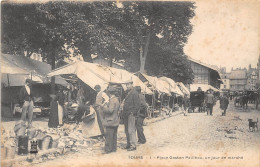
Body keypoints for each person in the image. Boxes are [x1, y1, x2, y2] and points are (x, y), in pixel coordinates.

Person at [122, 80, 141, 151]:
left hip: (131, 114)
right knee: (126, 130)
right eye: (126, 85)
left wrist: (133, 112)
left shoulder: (134, 93)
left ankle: (133, 145)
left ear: (132, 84)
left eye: (128, 84)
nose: (127, 86)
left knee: (131, 130)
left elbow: (138, 105)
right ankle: (128, 144)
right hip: (126, 114)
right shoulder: (127, 92)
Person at [102, 87, 120, 154]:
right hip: (115, 119)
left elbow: (110, 110)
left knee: (109, 135)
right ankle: (113, 148)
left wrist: (104, 107)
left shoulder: (112, 100)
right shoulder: (117, 99)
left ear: (109, 93)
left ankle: (108, 149)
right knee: (114, 135)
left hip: (110, 120)